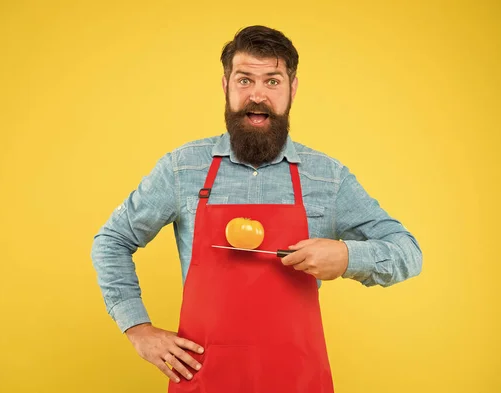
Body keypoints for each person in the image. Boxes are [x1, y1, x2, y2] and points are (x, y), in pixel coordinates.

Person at [91, 25, 422, 393]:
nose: (258, 95)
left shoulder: (328, 178)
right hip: (204, 380)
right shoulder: (183, 169)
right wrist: (137, 328)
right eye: (245, 79)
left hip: (297, 381)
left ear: (292, 89)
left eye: (273, 81)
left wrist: (348, 256)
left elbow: (408, 252)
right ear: (226, 85)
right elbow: (112, 240)